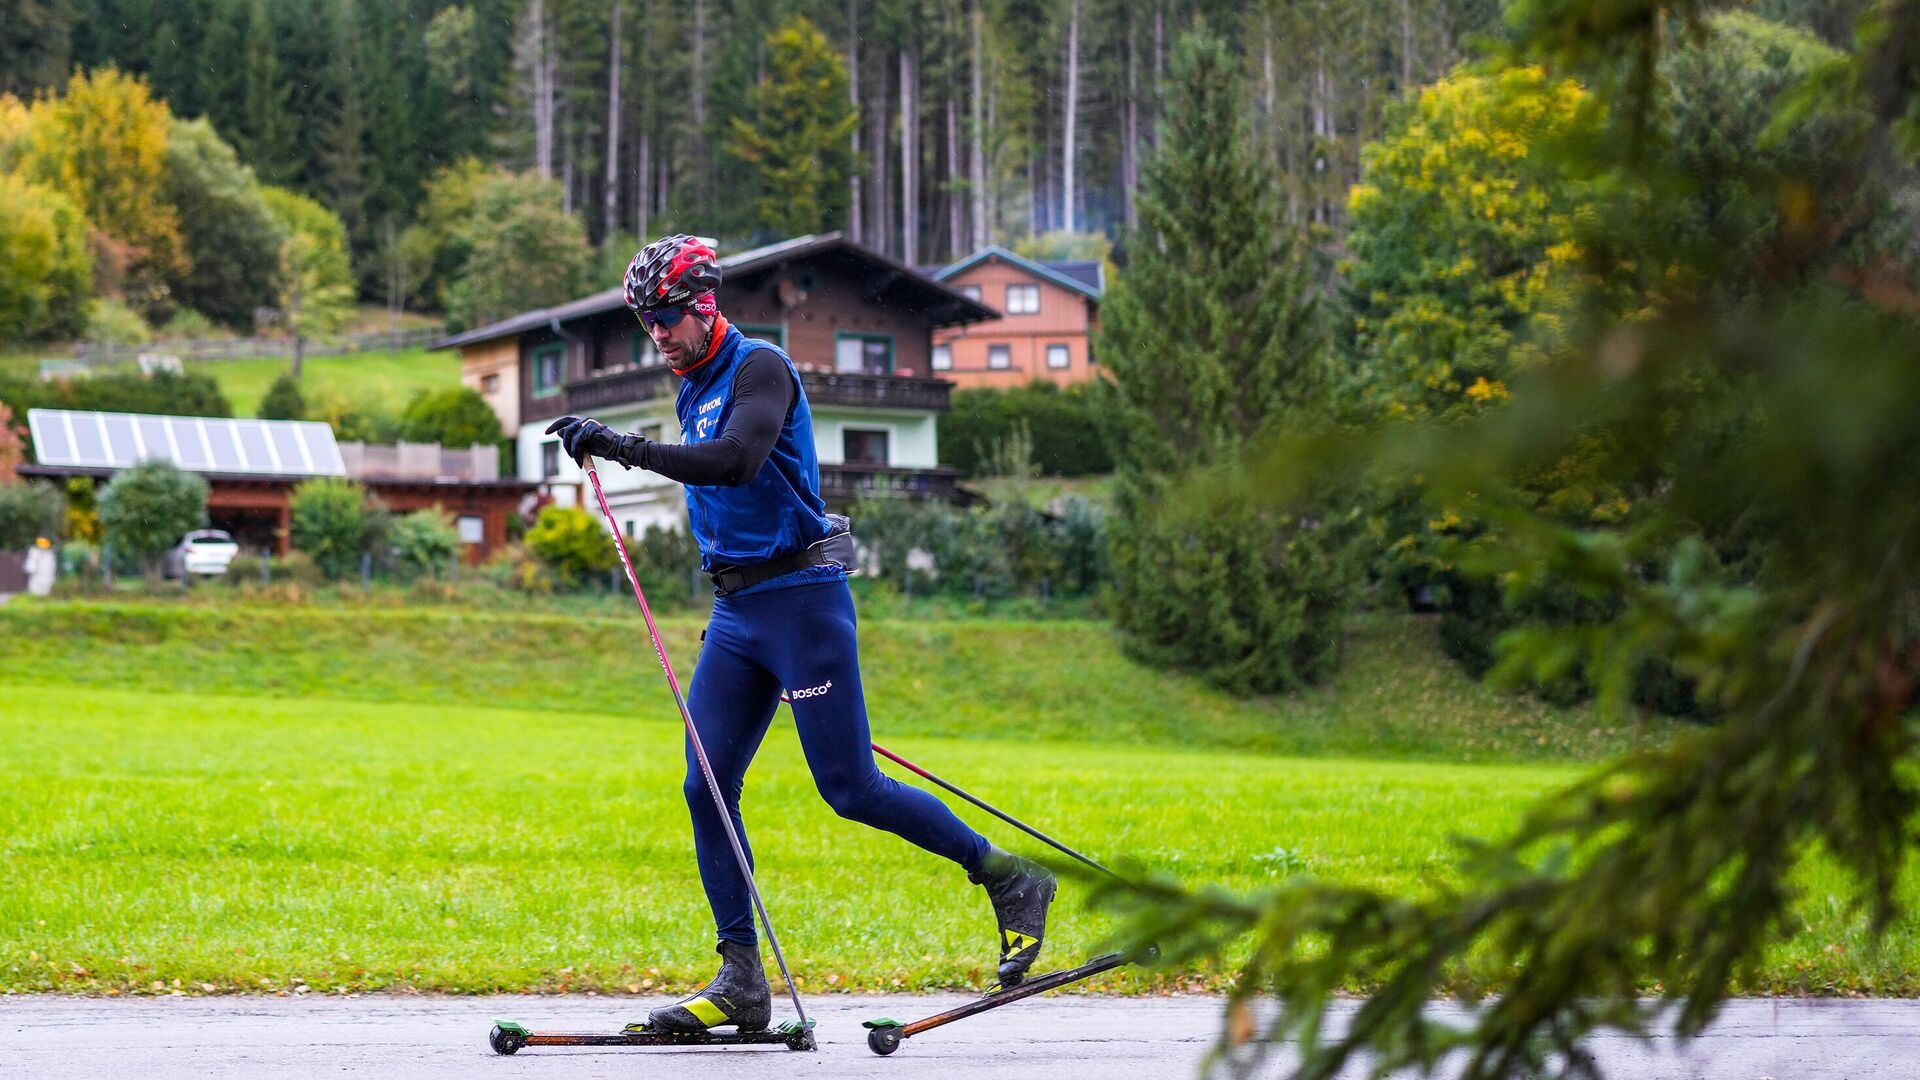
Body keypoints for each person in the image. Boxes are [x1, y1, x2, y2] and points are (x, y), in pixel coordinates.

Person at [545, 234, 1054, 1034]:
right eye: (647, 323)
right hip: (737, 614)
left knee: (849, 789)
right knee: (704, 785)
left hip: (804, 604)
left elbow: (737, 460)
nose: (658, 336)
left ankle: (1008, 877)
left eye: (667, 318)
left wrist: (619, 445)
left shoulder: (761, 368)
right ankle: (741, 979)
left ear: (704, 305)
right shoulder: (689, 383)